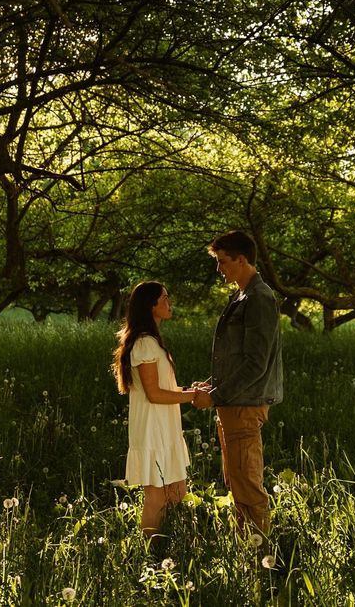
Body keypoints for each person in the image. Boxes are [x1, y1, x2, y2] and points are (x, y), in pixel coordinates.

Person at [192, 230, 283, 538]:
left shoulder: (259, 298)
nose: (219, 269)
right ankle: (243, 550)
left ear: (241, 260)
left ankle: (261, 561)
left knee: (247, 484)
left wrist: (217, 395)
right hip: (232, 403)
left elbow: (256, 364)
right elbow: (238, 357)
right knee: (235, 481)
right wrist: (210, 384)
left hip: (244, 405)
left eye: (222, 262)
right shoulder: (241, 296)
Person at [112, 281, 194, 539]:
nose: (169, 303)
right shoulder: (145, 343)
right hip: (152, 428)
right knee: (157, 496)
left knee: (177, 491)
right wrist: (192, 396)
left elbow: (162, 387)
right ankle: (148, 553)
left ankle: (164, 545)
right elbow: (154, 394)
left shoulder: (151, 342)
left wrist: (191, 390)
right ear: (151, 305)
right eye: (165, 298)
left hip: (164, 426)